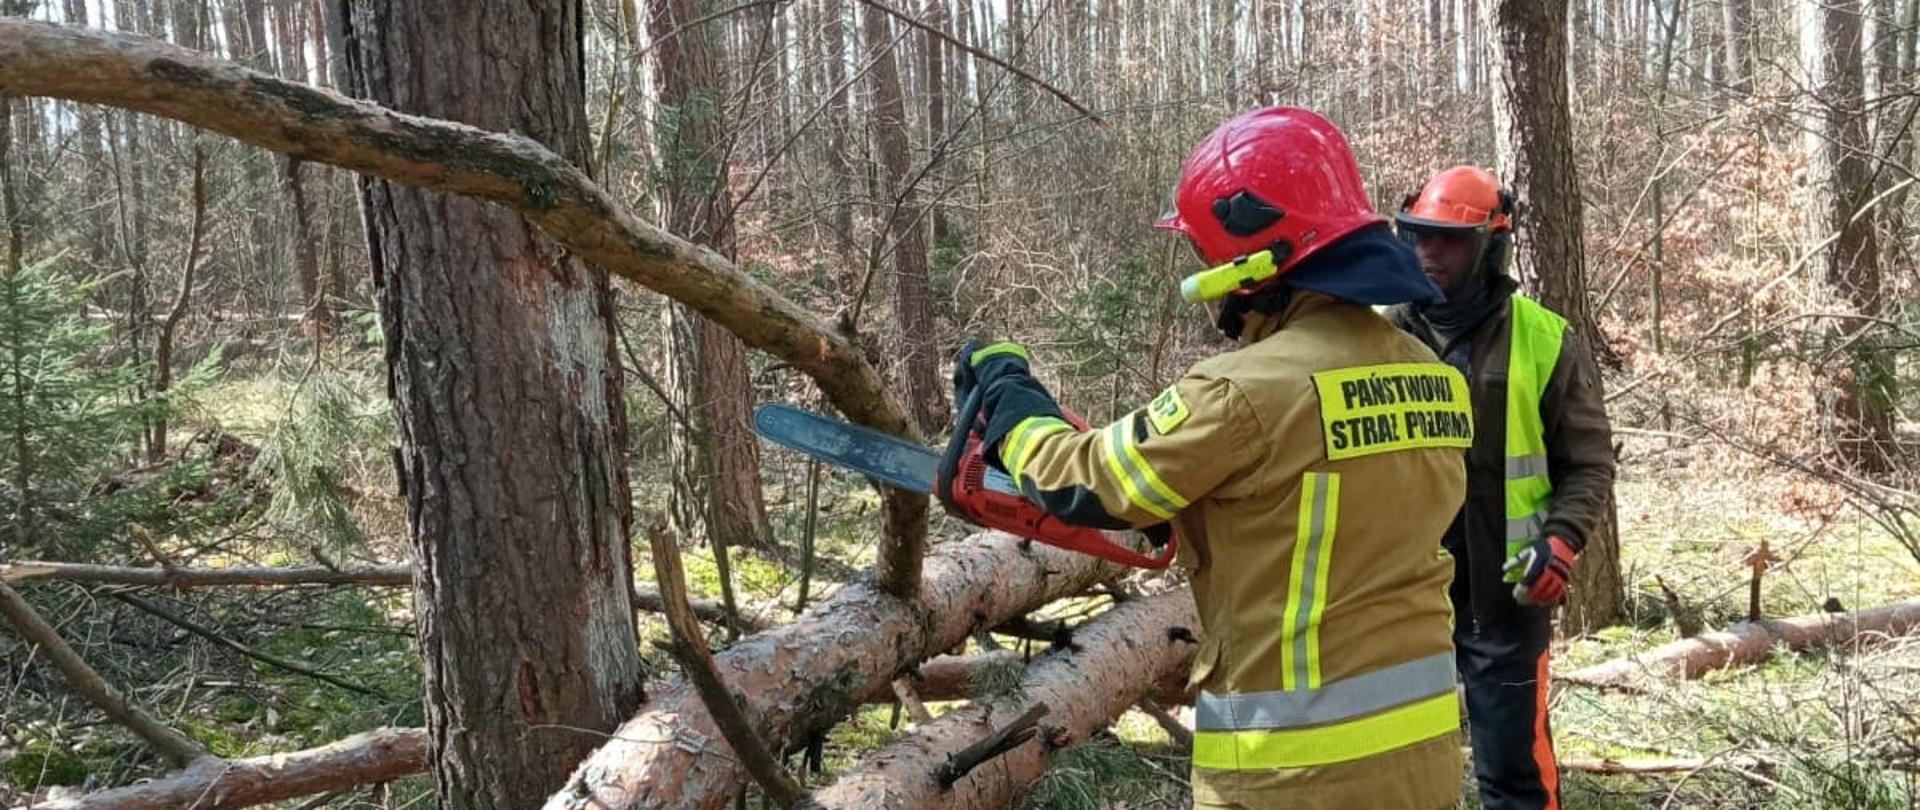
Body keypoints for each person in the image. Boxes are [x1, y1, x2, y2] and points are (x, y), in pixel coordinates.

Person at [952, 107, 1470, 809]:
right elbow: (1337, 513)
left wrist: (1011, 405)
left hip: (1290, 774)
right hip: (1422, 760)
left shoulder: (1242, 392)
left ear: (1255, 262)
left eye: (1209, 259)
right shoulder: (1432, 375)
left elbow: (1088, 483)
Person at [1387, 165, 1616, 810]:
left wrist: (1562, 541)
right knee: (1394, 776)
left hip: (1504, 593)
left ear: (1491, 245)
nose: (1431, 253)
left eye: (1450, 241)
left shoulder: (1545, 339)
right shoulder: (1376, 336)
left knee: (1514, 776)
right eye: (1421, 237)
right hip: (1399, 592)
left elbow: (1589, 461)